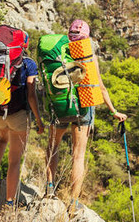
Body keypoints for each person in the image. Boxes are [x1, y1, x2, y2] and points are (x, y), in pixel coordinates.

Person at [45, 19, 126, 204]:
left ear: (68, 34)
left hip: (61, 104)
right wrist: (113, 110)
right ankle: (73, 201)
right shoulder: (89, 56)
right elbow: (101, 87)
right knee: (78, 155)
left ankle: (49, 189)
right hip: (84, 106)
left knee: (53, 147)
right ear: (86, 37)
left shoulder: (60, 52)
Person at [0, 41, 45, 207]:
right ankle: (9, 202)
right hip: (19, 115)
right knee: (14, 160)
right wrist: (38, 120)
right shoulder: (29, 64)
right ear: (24, 47)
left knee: (1, 139)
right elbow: (31, 95)